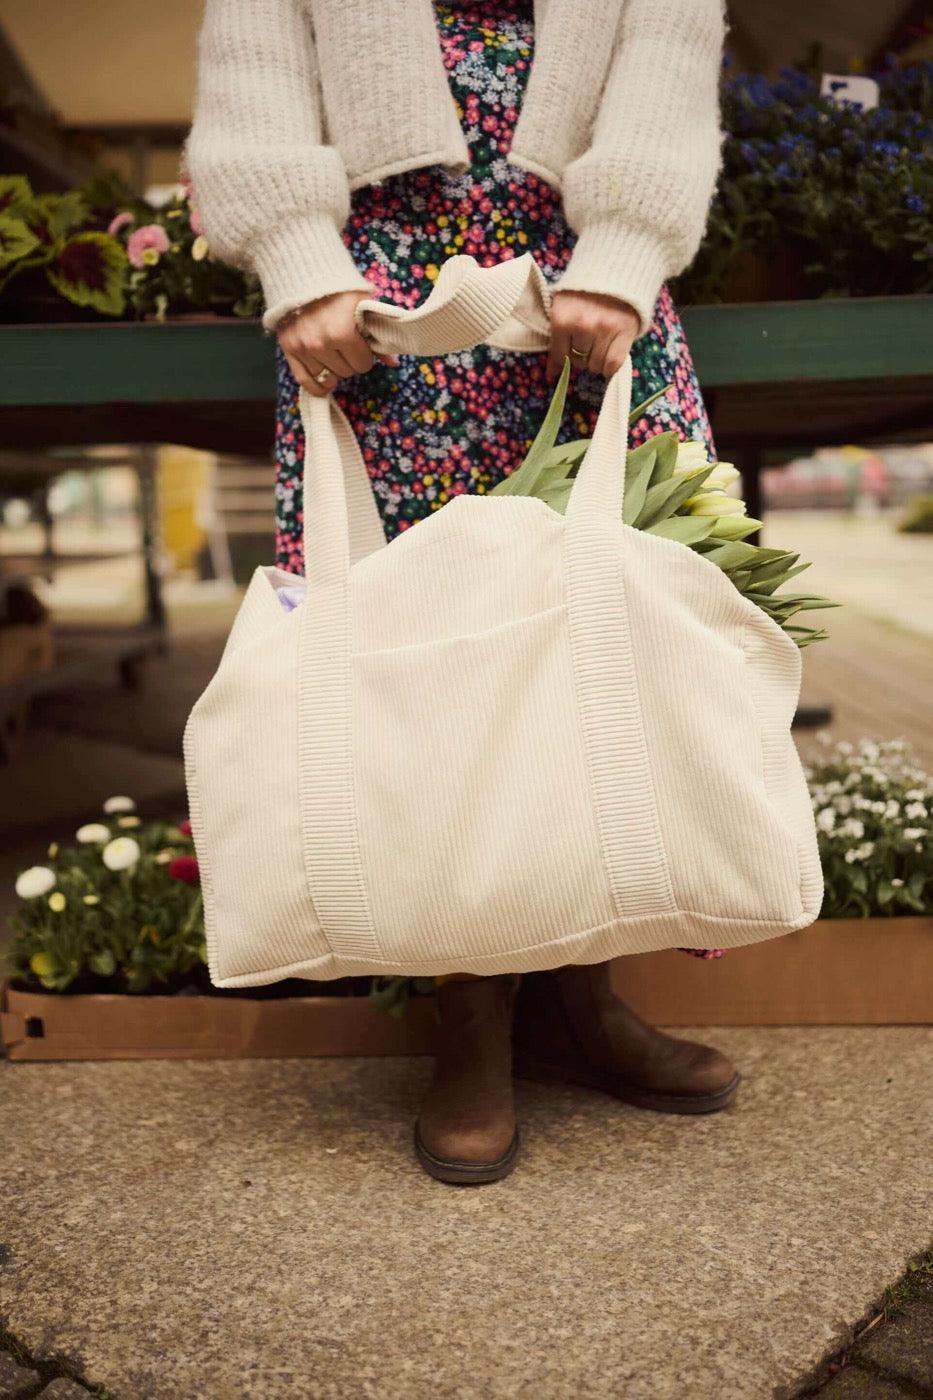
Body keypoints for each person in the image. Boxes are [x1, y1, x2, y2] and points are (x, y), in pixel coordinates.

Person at [186, 0, 739, 1185]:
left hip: (582, 300)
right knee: (422, 669)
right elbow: (255, 66)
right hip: (376, 321)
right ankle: (471, 1015)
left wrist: (625, 254)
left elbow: (668, 51)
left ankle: (585, 998)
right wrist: (298, 263)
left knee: (601, 645)